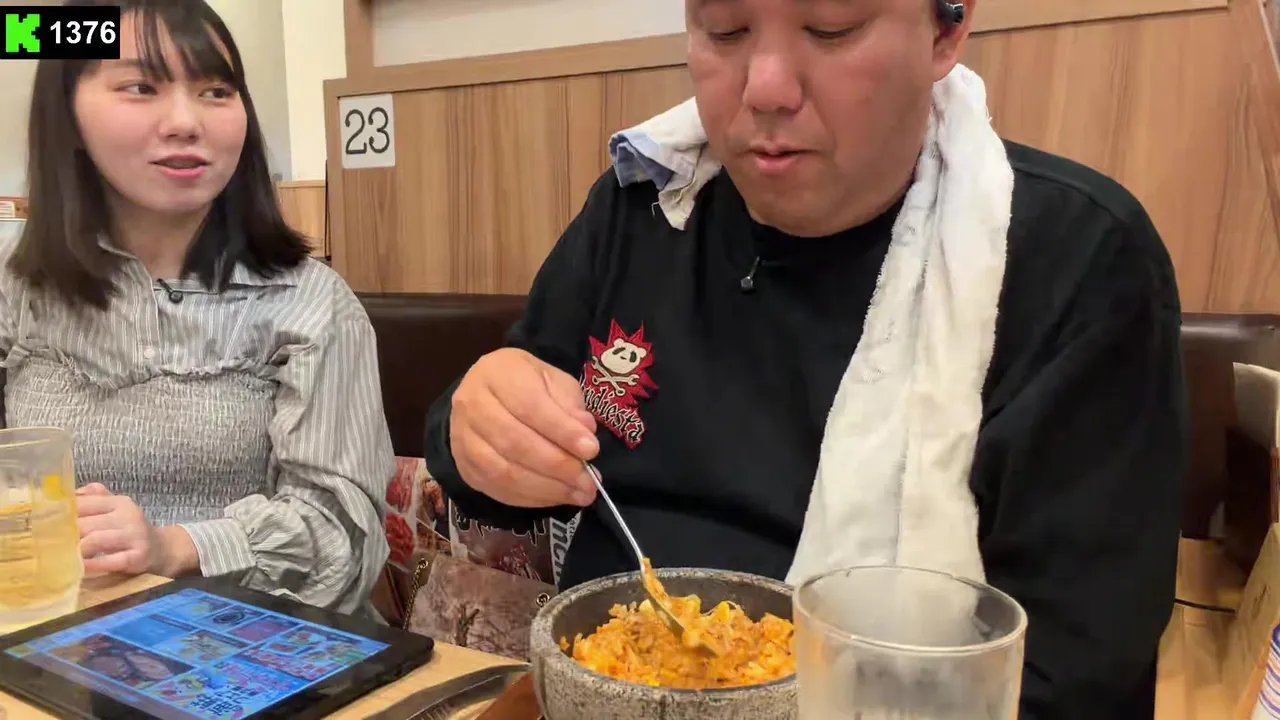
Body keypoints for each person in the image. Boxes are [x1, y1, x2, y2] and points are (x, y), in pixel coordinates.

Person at [426, 0, 1185, 716]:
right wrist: (477, 433)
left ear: (944, 31)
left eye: (830, 26)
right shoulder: (640, 205)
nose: (765, 89)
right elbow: (498, 458)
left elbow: (1072, 672)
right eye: (725, 28)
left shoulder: (1073, 259)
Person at [0, 0, 394, 616]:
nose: (186, 122)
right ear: (66, 115)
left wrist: (174, 548)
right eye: (141, 87)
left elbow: (346, 544)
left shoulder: (311, 303)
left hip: (253, 642)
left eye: (216, 91)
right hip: (51, 629)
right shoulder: (16, 283)